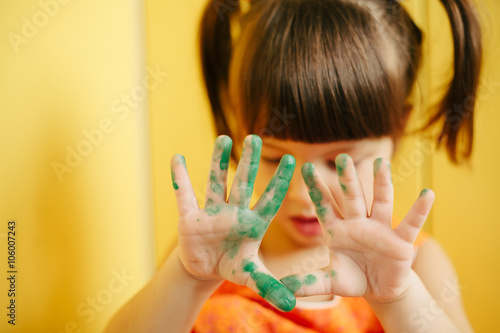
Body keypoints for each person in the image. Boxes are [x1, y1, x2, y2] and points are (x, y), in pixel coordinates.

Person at [105, 0, 483, 332]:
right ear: (240, 128)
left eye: (339, 162)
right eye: (274, 159)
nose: (302, 194)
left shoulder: (416, 264)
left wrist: (398, 298)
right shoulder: (212, 251)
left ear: (397, 130)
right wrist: (186, 277)